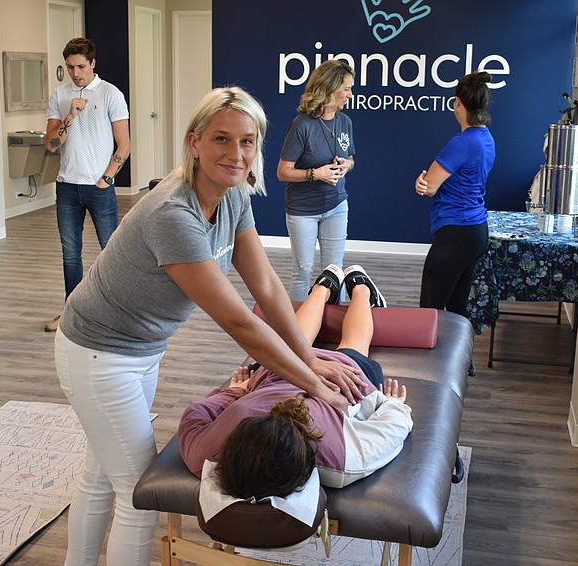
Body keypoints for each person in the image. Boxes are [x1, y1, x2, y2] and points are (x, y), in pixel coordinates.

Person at [54, 86, 368, 566]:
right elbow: (240, 322)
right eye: (222, 139)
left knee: (102, 476)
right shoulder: (172, 214)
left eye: (247, 142)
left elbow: (265, 287)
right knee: (140, 495)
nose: (236, 153)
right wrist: (314, 384)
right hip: (99, 353)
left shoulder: (234, 198)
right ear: (194, 142)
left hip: (141, 350)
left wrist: (309, 359)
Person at [178, 264, 412, 496]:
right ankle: (344, 287)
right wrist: (234, 394)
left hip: (319, 376)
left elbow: (393, 427)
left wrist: (233, 393)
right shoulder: (337, 459)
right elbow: (194, 415)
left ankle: (348, 288)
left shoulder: (341, 460)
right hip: (292, 370)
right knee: (320, 346)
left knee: (349, 347)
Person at [44, 37, 131, 333]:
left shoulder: (111, 94)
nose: (76, 73)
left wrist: (106, 179)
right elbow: (52, 145)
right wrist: (70, 114)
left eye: (81, 66)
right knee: (71, 253)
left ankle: (117, 313)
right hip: (67, 186)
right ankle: (71, 312)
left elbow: (124, 145)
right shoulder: (59, 96)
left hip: (99, 187)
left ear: (92, 63)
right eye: (70, 67)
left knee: (111, 251)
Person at [277, 59, 362, 304]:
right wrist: (316, 174)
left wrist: (347, 165)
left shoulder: (344, 121)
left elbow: (351, 159)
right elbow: (283, 172)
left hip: (336, 206)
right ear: (330, 87)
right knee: (303, 271)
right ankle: (297, 330)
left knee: (335, 271)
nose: (350, 94)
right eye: (346, 88)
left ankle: (335, 330)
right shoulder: (301, 125)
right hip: (303, 211)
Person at [415, 71, 495, 321]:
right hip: (476, 230)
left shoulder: (461, 142)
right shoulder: (487, 138)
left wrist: (422, 182)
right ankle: (464, 361)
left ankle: (430, 360)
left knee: (430, 309)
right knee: (457, 308)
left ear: (458, 102)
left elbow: (429, 187)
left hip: (455, 232)